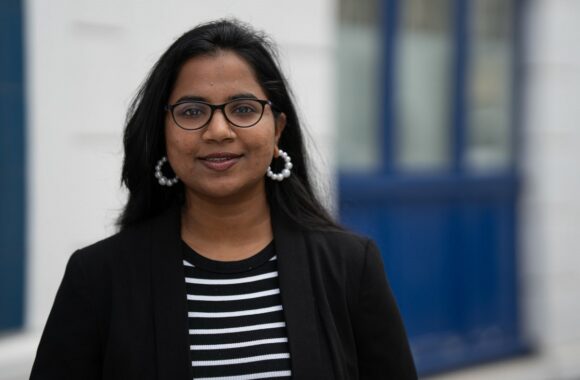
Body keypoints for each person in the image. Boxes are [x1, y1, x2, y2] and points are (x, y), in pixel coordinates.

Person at [30, 19, 417, 380]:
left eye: (244, 109)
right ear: (163, 130)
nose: (218, 130)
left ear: (278, 128)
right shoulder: (99, 277)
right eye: (192, 111)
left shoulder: (350, 265)